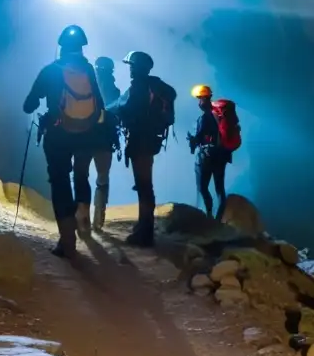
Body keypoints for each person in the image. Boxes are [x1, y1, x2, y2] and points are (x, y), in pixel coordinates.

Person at [23, 25, 106, 257]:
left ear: (60, 46)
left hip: (58, 135)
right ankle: (83, 215)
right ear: (82, 47)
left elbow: (28, 104)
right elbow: (99, 102)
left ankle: (67, 239)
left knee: (60, 181)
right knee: (81, 176)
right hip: (87, 134)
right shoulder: (89, 70)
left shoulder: (51, 70)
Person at [112, 51, 176, 247]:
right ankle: (143, 228)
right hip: (149, 141)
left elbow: (123, 108)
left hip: (140, 141)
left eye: (132, 66)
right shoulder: (154, 86)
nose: (130, 69)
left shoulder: (139, 87)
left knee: (144, 186)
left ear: (139, 68)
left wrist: (105, 111)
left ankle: (145, 233)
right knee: (144, 185)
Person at [73, 56, 122, 233]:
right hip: (104, 142)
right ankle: (97, 220)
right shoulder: (115, 92)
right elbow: (117, 117)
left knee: (81, 177)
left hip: (85, 139)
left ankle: (82, 218)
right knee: (102, 180)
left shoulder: (86, 87)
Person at [188, 84, 227, 220]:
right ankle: (219, 218)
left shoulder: (204, 118)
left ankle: (209, 217)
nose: (199, 102)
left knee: (203, 187)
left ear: (204, 99)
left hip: (207, 155)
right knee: (219, 189)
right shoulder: (220, 116)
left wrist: (192, 140)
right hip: (222, 155)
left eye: (200, 99)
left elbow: (198, 138)